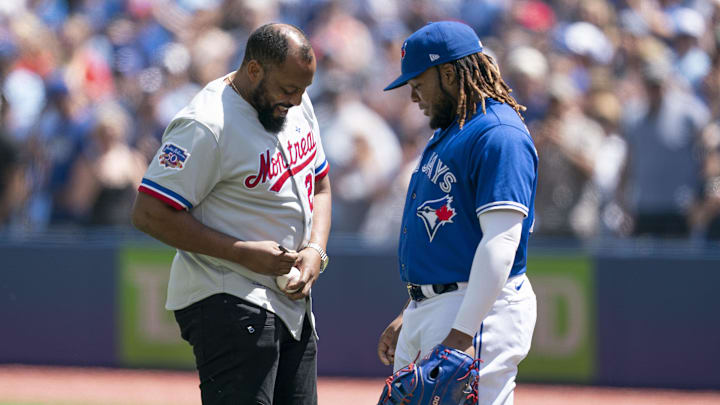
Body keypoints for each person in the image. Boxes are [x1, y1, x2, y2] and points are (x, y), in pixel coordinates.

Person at [131, 23, 331, 405]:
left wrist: (316, 250)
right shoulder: (206, 124)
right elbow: (149, 213)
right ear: (254, 70)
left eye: (303, 89)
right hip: (229, 294)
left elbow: (321, 183)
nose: (296, 99)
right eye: (289, 89)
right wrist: (240, 251)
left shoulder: (295, 102)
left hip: (291, 304)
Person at [377, 21, 538, 404]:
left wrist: (461, 334)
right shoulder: (455, 129)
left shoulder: (499, 134)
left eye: (418, 84)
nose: (413, 96)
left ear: (449, 72)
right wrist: (415, 305)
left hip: (475, 311)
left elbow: (501, 242)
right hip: (439, 304)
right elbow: (451, 237)